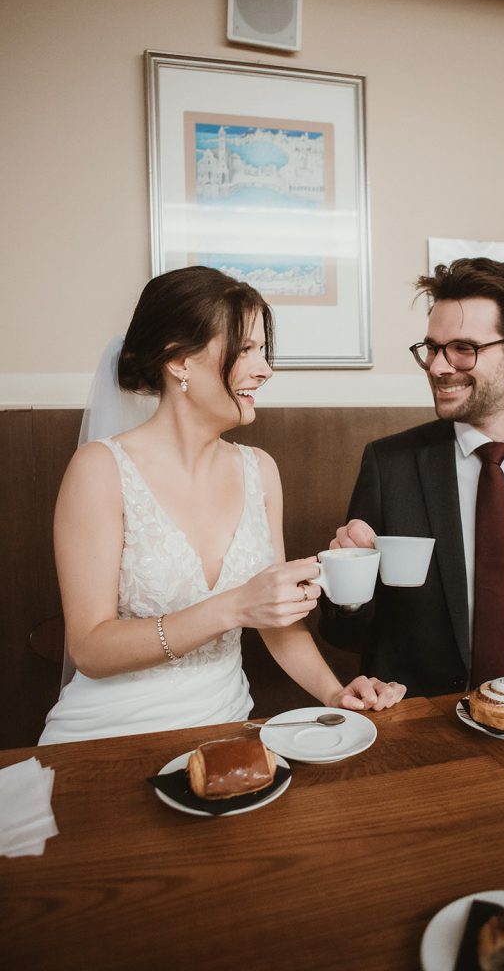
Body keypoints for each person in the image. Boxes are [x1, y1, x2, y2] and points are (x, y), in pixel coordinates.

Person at [40, 266, 405, 744]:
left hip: (225, 726)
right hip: (109, 732)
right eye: (246, 348)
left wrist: (335, 695)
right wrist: (232, 606)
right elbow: (89, 647)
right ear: (179, 361)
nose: (265, 368)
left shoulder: (260, 470)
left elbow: (278, 623)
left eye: (262, 349)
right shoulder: (100, 469)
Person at [319, 258, 504, 697]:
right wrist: (347, 588)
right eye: (432, 347)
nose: (438, 367)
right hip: (425, 716)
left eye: (463, 348)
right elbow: (348, 637)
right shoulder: (390, 464)